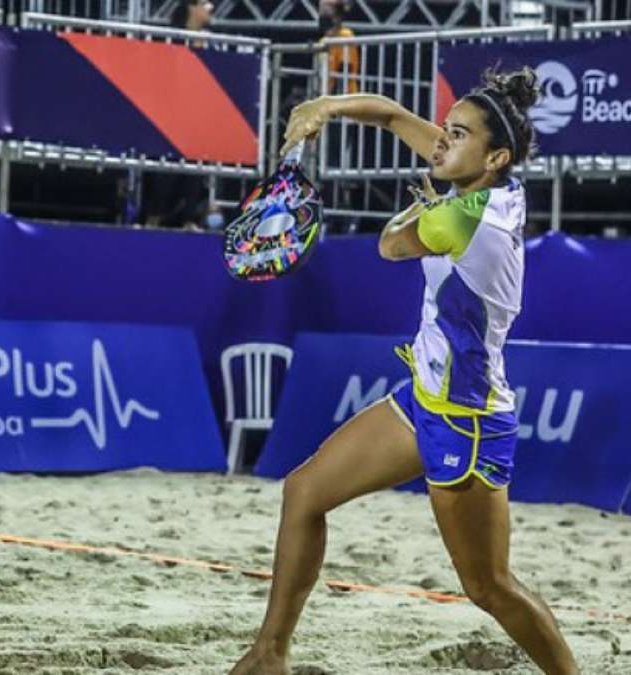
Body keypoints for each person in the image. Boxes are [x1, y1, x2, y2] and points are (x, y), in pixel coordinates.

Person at [230, 68, 580, 675]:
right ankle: (269, 655)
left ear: (494, 156)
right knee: (304, 492)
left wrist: (419, 209)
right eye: (446, 128)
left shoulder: (466, 217)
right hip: (422, 396)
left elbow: (390, 244)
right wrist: (327, 104)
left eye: (458, 134)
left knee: (488, 586)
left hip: (466, 419)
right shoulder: (495, 183)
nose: (442, 141)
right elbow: (392, 114)